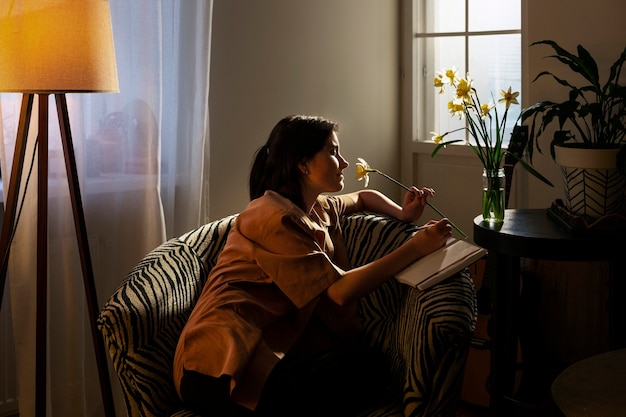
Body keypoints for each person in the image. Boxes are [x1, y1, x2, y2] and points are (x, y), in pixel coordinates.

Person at [173, 115, 453, 417]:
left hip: (264, 349)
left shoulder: (315, 205)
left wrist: (402, 213)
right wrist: (416, 246)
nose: (344, 162)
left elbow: (361, 197)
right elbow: (339, 291)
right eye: (333, 152)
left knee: (369, 364)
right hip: (218, 365)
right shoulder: (273, 217)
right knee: (362, 371)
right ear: (302, 164)